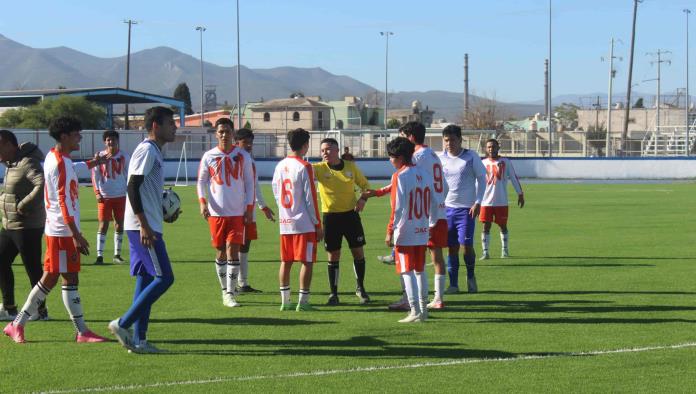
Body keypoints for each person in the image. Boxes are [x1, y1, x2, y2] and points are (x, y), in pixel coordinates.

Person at [3, 117, 108, 344]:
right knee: (59, 279)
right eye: (76, 133)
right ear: (64, 136)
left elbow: (72, 168)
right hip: (62, 232)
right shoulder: (59, 163)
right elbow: (62, 200)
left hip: (59, 231)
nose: (80, 137)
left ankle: (20, 324)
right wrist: (76, 234)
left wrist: (93, 162)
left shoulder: (55, 156)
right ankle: (76, 331)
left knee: (58, 279)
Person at [108, 106, 180, 354]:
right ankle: (122, 324)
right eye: (171, 123)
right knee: (165, 278)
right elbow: (132, 186)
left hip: (146, 223)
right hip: (143, 228)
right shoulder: (147, 150)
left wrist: (162, 213)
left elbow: (145, 191)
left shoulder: (155, 152)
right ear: (156, 126)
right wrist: (145, 225)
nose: (175, 127)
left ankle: (139, 340)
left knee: (147, 277)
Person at [364, 122, 449, 310]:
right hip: (436, 214)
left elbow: (402, 187)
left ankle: (410, 301)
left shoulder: (415, 158)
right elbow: (444, 185)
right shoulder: (434, 154)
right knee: (432, 259)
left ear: (410, 137)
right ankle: (436, 299)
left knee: (410, 265)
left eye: (401, 134)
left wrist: (378, 193)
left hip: (419, 219)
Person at [197, 118, 255, 307]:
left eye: (227, 131)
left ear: (233, 133)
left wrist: (249, 208)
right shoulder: (209, 156)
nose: (224, 134)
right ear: (216, 134)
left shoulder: (243, 156)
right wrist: (202, 203)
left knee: (233, 250)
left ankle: (230, 293)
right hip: (216, 213)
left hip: (237, 212)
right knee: (221, 252)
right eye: (221, 131)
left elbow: (249, 183)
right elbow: (201, 182)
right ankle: (224, 290)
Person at [384, 137, 437, 323]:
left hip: (405, 230)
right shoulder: (425, 173)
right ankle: (424, 310)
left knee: (407, 270)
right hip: (422, 228)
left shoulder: (400, 175)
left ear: (399, 157)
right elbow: (434, 202)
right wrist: (431, 223)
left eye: (391, 156)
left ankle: (414, 310)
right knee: (420, 270)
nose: (390, 160)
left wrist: (390, 229)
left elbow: (397, 207)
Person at [312, 138, 371, 305]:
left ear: (337, 150)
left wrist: (362, 200)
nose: (325, 153)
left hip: (351, 216)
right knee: (333, 255)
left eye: (329, 149)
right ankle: (333, 293)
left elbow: (366, 186)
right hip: (330, 218)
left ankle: (361, 289)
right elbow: (300, 170)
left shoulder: (351, 167)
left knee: (358, 252)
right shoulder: (318, 169)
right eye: (322, 150)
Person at [272, 128, 323, 311]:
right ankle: (303, 302)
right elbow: (311, 198)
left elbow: (276, 192)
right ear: (305, 145)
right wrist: (317, 223)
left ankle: (285, 301)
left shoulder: (279, 166)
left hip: (286, 223)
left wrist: (285, 212)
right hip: (304, 224)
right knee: (307, 262)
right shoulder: (305, 166)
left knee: (286, 261)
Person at [0, 130, 48, 321]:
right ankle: (9, 308)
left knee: (33, 269)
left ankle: (40, 311)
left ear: (11, 145)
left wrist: (24, 204)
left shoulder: (28, 162)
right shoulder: (11, 164)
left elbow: (42, 183)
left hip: (27, 226)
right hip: (10, 225)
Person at [438, 125, 486, 294]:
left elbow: (482, 178)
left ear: (460, 139)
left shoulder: (470, 157)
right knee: (451, 247)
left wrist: (478, 201)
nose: (449, 143)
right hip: (447, 209)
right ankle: (453, 285)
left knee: (466, 246)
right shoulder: (440, 158)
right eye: (446, 140)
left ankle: (471, 276)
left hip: (467, 209)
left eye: (452, 140)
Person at [234, 127, 275, 293]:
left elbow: (255, 186)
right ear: (237, 143)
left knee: (245, 246)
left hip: (249, 210)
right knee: (233, 247)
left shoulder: (250, 161)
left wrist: (263, 206)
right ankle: (230, 287)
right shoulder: (232, 159)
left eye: (251, 142)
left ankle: (242, 283)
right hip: (234, 210)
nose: (249, 145)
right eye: (246, 142)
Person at [480, 138, 524, 259]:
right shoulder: (482, 163)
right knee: (485, 226)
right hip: (485, 201)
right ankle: (485, 252)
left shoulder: (505, 161)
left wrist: (520, 194)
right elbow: (477, 182)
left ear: (498, 148)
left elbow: (514, 178)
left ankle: (505, 251)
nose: (491, 149)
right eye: (489, 147)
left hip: (501, 201)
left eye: (493, 147)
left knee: (503, 225)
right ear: (486, 149)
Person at [91, 130, 129, 265]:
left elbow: (128, 175)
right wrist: (97, 193)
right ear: (105, 142)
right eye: (108, 140)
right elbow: (95, 176)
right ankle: (99, 256)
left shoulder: (124, 156)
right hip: (104, 196)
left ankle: (117, 255)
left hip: (120, 195)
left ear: (117, 140)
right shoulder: (100, 156)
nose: (111, 142)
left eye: (113, 139)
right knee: (103, 225)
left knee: (119, 225)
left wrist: (129, 192)